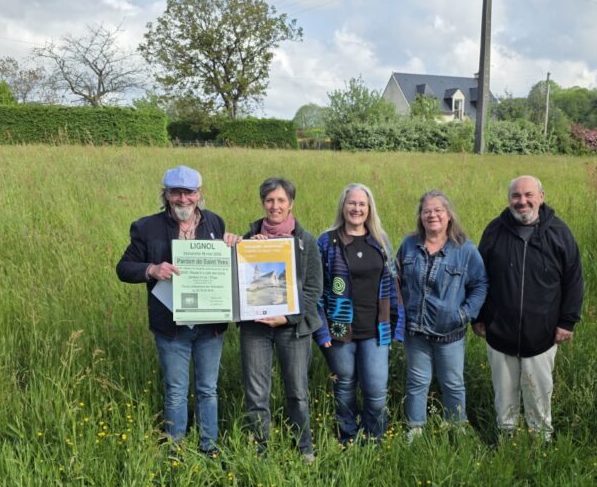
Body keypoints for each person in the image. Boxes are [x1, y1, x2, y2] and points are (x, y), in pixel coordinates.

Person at [116, 165, 240, 456]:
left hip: (210, 325)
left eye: (190, 192)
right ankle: (176, 451)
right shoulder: (147, 227)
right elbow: (123, 268)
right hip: (171, 327)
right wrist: (151, 269)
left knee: (208, 388)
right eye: (176, 193)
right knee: (176, 390)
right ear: (166, 195)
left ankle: (209, 448)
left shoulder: (215, 223)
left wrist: (232, 245)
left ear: (199, 194)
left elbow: (226, 266)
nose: (183, 199)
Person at [472, 175, 583, 441]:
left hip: (542, 334)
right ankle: (506, 437)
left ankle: (540, 440)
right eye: (516, 196)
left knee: (538, 391)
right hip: (499, 331)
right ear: (509, 199)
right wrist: (477, 317)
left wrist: (567, 322)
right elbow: (478, 277)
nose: (522, 201)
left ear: (541, 197)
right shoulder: (494, 231)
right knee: (505, 392)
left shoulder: (559, 232)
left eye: (528, 195)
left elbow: (574, 278)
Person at [238, 178, 323, 463]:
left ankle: (304, 448)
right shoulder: (248, 239)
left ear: (291, 204)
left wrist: (287, 317)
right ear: (263, 203)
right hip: (255, 328)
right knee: (256, 393)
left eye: (281, 200)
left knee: (297, 391)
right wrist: (246, 247)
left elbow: (313, 289)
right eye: (269, 200)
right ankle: (260, 450)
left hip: (293, 328)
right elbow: (238, 284)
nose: (275, 206)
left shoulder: (306, 241)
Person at [315, 183, 404, 444]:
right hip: (339, 331)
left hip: (376, 330)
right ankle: (348, 439)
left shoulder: (381, 240)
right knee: (344, 387)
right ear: (343, 207)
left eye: (361, 204)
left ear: (369, 208)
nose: (356, 208)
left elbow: (394, 286)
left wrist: (397, 325)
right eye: (351, 203)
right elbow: (316, 289)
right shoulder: (327, 240)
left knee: (376, 391)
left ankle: (374, 440)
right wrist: (321, 329)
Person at [396, 190, 488, 440]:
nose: (432, 215)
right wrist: (400, 313)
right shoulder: (408, 245)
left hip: (450, 333)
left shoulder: (465, 249)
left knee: (453, 384)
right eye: (427, 211)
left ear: (449, 216)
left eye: (438, 210)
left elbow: (480, 284)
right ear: (420, 216)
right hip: (416, 331)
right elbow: (396, 281)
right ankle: (415, 430)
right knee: (417, 383)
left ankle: (456, 428)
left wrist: (464, 314)